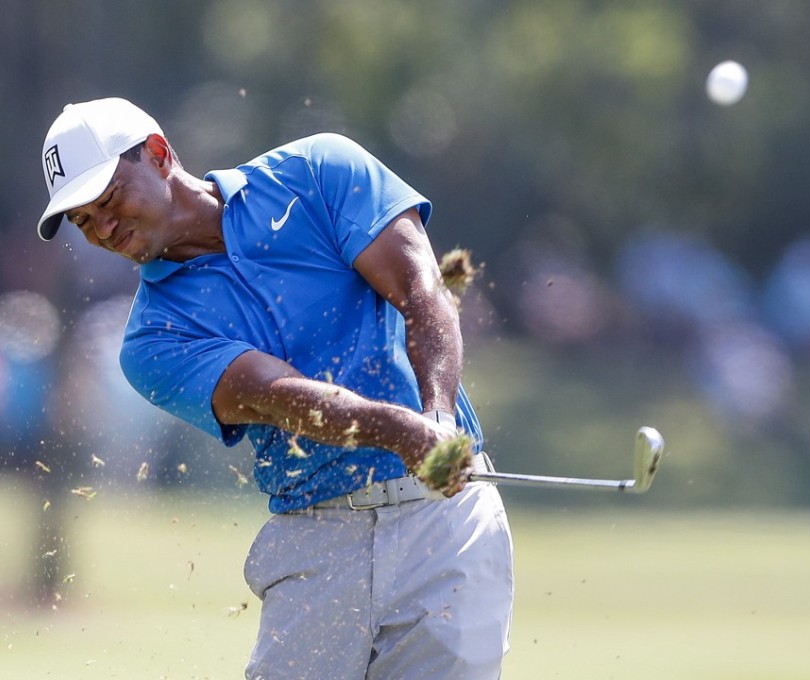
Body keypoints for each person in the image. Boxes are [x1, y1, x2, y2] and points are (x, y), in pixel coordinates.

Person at [36, 97, 514, 679]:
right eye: (84, 222)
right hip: (317, 540)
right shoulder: (151, 341)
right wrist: (403, 431)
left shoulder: (317, 172)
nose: (104, 229)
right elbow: (280, 396)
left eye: (109, 200)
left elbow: (422, 289)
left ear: (159, 155)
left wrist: (438, 420)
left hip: (445, 526)